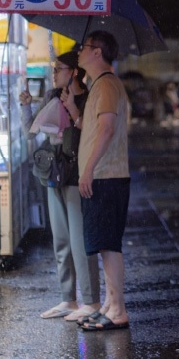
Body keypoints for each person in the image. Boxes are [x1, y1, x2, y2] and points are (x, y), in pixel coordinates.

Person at [20, 50, 101, 322]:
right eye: (54, 69)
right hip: (54, 174)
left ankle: (91, 300)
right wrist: (26, 107)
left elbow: (91, 135)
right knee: (62, 240)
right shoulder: (53, 96)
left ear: (74, 72)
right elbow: (30, 129)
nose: (53, 73)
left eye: (59, 69)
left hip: (78, 176)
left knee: (81, 241)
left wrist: (73, 110)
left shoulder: (87, 99)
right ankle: (69, 298)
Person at [75, 31, 132, 331]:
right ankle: (111, 304)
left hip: (106, 176)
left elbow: (107, 130)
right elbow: (94, 127)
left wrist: (88, 169)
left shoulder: (108, 84)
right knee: (105, 243)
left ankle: (118, 309)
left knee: (109, 244)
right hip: (104, 175)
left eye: (83, 47)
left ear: (97, 52)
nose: (79, 52)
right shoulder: (100, 85)